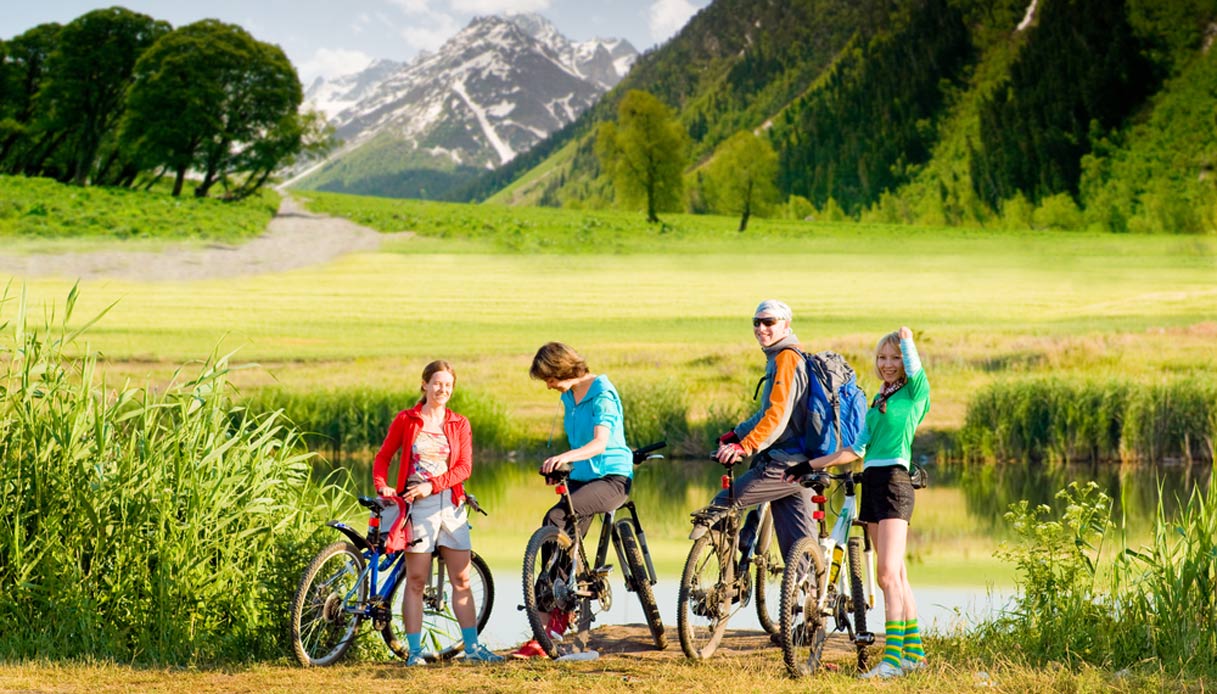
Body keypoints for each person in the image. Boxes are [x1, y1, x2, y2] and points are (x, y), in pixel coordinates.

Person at [784, 326, 930, 679]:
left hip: (896, 483)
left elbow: (916, 368)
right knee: (897, 575)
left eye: (894, 358)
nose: (888, 364)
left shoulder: (915, 394)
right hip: (873, 483)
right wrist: (808, 465)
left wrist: (906, 341)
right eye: (882, 358)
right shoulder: (880, 400)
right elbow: (855, 450)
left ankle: (892, 661)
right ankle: (915, 655)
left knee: (885, 576)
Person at [372, 360, 503, 665]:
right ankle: (414, 653)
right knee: (416, 580)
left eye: (448, 385)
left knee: (462, 578)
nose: (442, 390)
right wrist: (383, 486)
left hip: (452, 505)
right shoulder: (407, 420)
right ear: (425, 385)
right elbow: (383, 457)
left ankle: (472, 649)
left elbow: (464, 468)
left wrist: (433, 485)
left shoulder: (459, 423)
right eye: (437, 384)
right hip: (418, 508)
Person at [511, 342, 634, 659]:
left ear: (562, 369)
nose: (549, 386)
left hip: (612, 478)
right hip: (581, 478)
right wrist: (562, 468)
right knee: (554, 526)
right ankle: (549, 623)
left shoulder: (602, 393)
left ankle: (554, 614)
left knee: (557, 518)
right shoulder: (569, 397)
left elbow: (599, 443)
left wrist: (564, 457)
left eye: (549, 378)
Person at [703, 299, 816, 599]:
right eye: (756, 322)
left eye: (769, 322)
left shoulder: (786, 359)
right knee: (800, 547)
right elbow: (769, 411)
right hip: (804, 461)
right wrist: (737, 433)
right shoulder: (780, 357)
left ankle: (724, 589)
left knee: (721, 505)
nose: (761, 328)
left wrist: (746, 446)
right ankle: (805, 617)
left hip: (787, 462)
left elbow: (776, 417)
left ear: (786, 326)